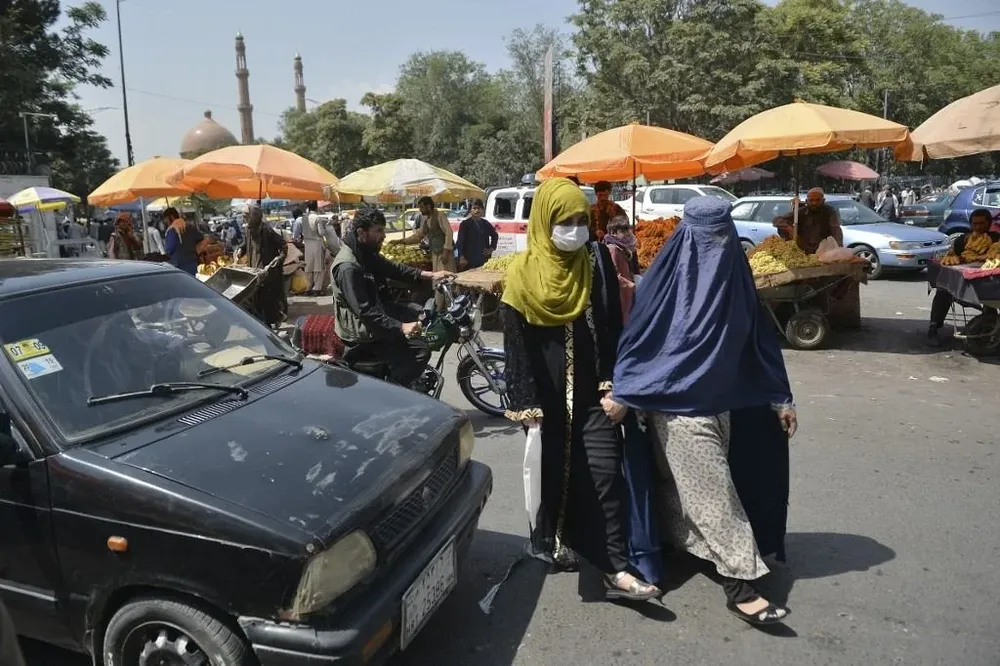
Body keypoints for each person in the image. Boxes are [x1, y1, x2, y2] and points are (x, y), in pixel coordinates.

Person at [613, 195, 797, 626]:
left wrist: (780, 397)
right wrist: (627, 391)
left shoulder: (736, 279)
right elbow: (641, 341)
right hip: (674, 408)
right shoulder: (664, 283)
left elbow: (758, 341)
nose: (716, 245)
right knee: (715, 493)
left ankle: (686, 549)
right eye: (706, 236)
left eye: (722, 234)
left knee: (683, 490)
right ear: (688, 234)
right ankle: (740, 585)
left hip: (722, 405)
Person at [501, 177, 660, 603]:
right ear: (545, 221)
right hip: (547, 398)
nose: (575, 230)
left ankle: (614, 567)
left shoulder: (596, 259)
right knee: (555, 476)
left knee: (605, 475)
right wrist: (526, 403)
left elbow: (610, 326)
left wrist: (614, 384)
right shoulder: (520, 273)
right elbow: (516, 345)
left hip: (593, 394)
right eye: (565, 221)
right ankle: (558, 542)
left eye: (580, 221)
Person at [331, 207, 453, 388]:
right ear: (361, 233)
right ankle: (394, 389)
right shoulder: (348, 267)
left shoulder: (364, 251)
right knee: (421, 350)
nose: (383, 235)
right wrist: (401, 326)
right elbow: (364, 311)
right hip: (360, 331)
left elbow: (392, 268)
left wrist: (429, 275)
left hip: (376, 311)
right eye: (378, 231)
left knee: (418, 313)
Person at [927, 208, 1000, 346]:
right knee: (943, 290)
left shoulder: (996, 240)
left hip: (987, 283)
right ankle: (933, 328)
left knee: (993, 296)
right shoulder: (962, 241)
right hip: (962, 282)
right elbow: (953, 256)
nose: (977, 227)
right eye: (974, 223)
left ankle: (989, 320)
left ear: (989, 224)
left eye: (981, 223)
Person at [392, 196, 457, 309]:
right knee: (437, 281)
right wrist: (401, 241)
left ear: (428, 206)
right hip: (435, 254)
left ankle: (445, 308)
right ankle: (440, 308)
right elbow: (419, 235)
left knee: (445, 281)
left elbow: (449, 233)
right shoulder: (427, 220)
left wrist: (446, 251)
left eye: (422, 207)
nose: (420, 210)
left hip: (444, 255)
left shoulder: (440, 216)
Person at [242, 206, 288, 328]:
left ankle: (273, 321)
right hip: (254, 270)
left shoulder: (267, 231)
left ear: (253, 217)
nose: (244, 219)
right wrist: (239, 250)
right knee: (256, 301)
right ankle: (265, 323)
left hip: (268, 272)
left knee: (267, 301)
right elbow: (245, 245)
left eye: (246, 217)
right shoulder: (248, 230)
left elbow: (283, 245)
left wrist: (280, 258)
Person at [772, 187, 843, 254]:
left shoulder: (829, 211)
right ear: (807, 201)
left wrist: (839, 248)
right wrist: (789, 228)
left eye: (817, 200)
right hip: (804, 249)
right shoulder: (801, 211)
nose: (814, 203)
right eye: (811, 200)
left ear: (823, 200)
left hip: (823, 249)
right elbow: (777, 220)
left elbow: (835, 229)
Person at [602, 215, 637, 322]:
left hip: (627, 292)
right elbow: (612, 274)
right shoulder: (612, 249)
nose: (628, 233)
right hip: (621, 294)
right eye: (623, 231)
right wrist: (630, 284)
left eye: (628, 229)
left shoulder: (623, 248)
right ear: (613, 233)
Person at [455, 199, 499, 270]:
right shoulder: (465, 224)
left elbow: (495, 235)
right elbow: (460, 241)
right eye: (474, 208)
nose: (477, 210)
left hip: (483, 258)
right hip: (469, 258)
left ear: (482, 210)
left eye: (479, 208)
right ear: (470, 210)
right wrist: (461, 257)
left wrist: (491, 249)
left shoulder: (485, 223)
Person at [163, 207, 204, 275]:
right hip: (193, 261)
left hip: (179, 264)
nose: (165, 222)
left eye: (166, 219)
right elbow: (200, 238)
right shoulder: (189, 226)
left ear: (171, 217)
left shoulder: (172, 230)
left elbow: (170, 248)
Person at [302, 201, 331, 295]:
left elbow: (303, 232)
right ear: (316, 207)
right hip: (317, 243)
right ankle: (317, 289)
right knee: (318, 267)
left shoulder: (304, 218)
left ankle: (308, 288)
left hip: (307, 244)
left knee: (308, 267)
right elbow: (321, 233)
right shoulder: (317, 218)